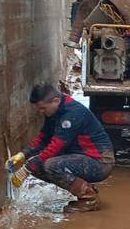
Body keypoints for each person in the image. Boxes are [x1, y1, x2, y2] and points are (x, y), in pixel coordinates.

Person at [8, 84, 115, 213]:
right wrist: (23, 154)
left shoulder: (72, 113)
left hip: (100, 162)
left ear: (56, 101)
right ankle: (85, 188)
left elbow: (55, 147)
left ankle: (89, 199)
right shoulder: (54, 112)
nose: (41, 112)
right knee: (38, 167)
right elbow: (43, 138)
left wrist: (26, 168)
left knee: (51, 165)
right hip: (81, 157)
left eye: (43, 108)